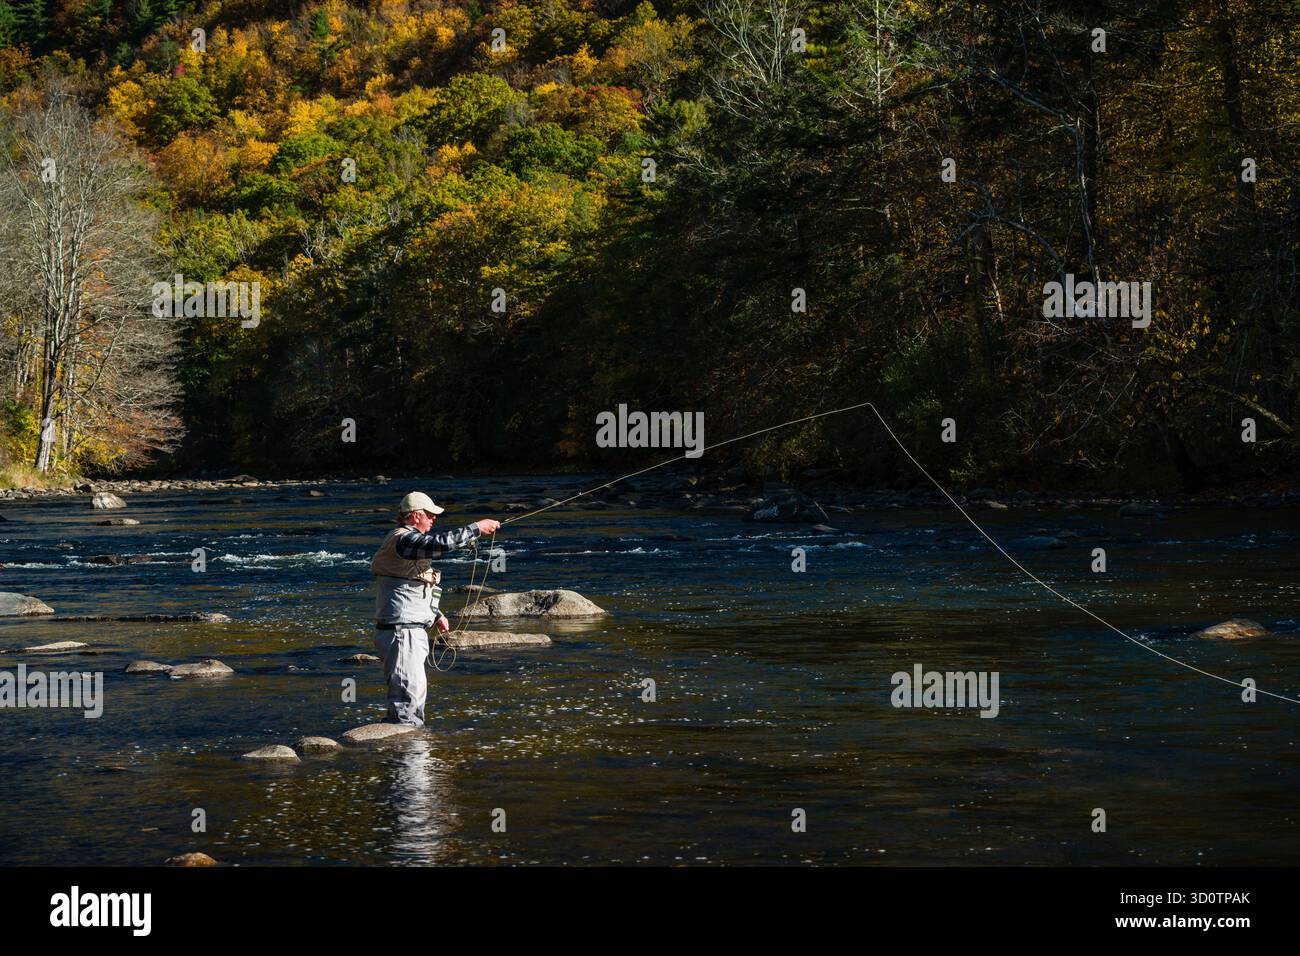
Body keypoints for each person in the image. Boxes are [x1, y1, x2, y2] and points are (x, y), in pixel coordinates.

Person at [370, 491, 500, 726]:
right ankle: (407, 756)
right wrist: (476, 528)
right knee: (407, 703)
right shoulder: (404, 539)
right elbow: (438, 545)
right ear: (416, 515)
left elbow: (409, 583)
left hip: (409, 631)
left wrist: (435, 614)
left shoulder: (409, 542)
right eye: (430, 514)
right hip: (402, 634)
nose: (434, 519)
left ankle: (410, 754)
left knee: (413, 697)